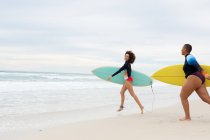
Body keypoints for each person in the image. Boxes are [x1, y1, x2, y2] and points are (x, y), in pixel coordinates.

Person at [180, 44, 210, 121]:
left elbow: (196, 65)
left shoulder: (189, 57)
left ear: (185, 49)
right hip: (200, 79)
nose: (181, 50)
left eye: (182, 49)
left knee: (183, 97)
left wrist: (205, 74)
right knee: (206, 99)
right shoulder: (189, 57)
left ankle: (187, 117)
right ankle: (187, 117)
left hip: (194, 77)